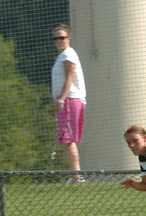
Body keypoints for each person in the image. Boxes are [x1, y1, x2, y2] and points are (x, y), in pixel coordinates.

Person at [51, 24, 87, 184]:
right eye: (56, 38)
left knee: (67, 138)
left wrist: (61, 99)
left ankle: (77, 176)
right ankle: (75, 175)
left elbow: (69, 78)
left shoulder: (68, 54)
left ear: (68, 38)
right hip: (65, 100)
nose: (59, 41)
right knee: (65, 140)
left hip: (70, 99)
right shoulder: (62, 56)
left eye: (62, 37)